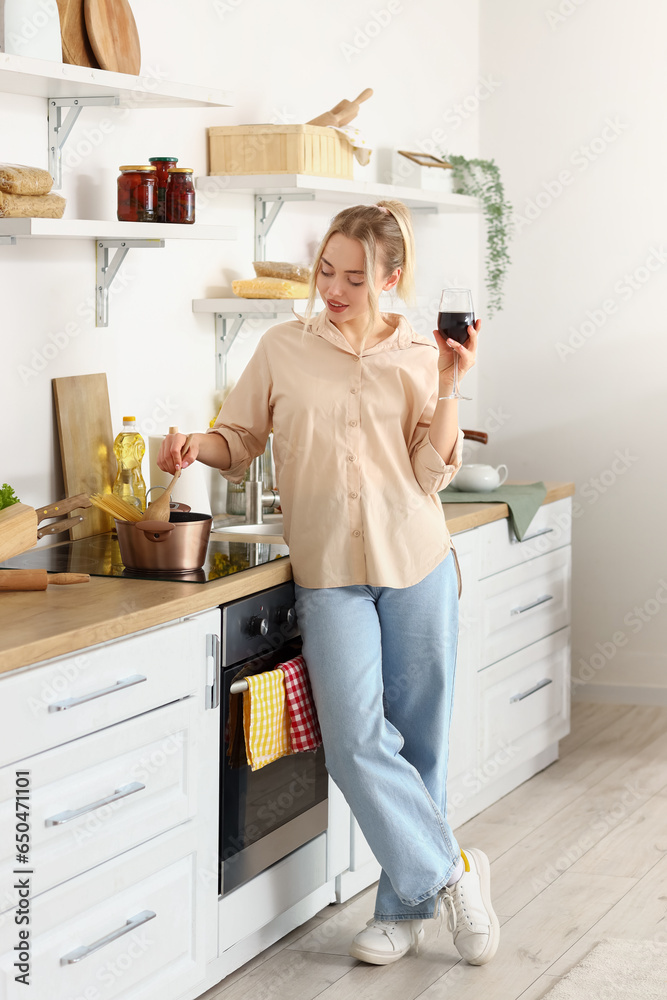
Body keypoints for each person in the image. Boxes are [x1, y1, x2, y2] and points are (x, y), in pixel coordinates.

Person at [157, 200, 499, 967]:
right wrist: (191, 445)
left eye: (353, 276)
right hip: (329, 573)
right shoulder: (282, 347)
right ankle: (453, 871)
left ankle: (401, 908)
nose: (334, 289)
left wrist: (448, 379)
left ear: (391, 277)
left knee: (420, 743)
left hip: (414, 562)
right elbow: (238, 439)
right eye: (325, 272)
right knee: (351, 743)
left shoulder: (420, 353)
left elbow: (430, 472)